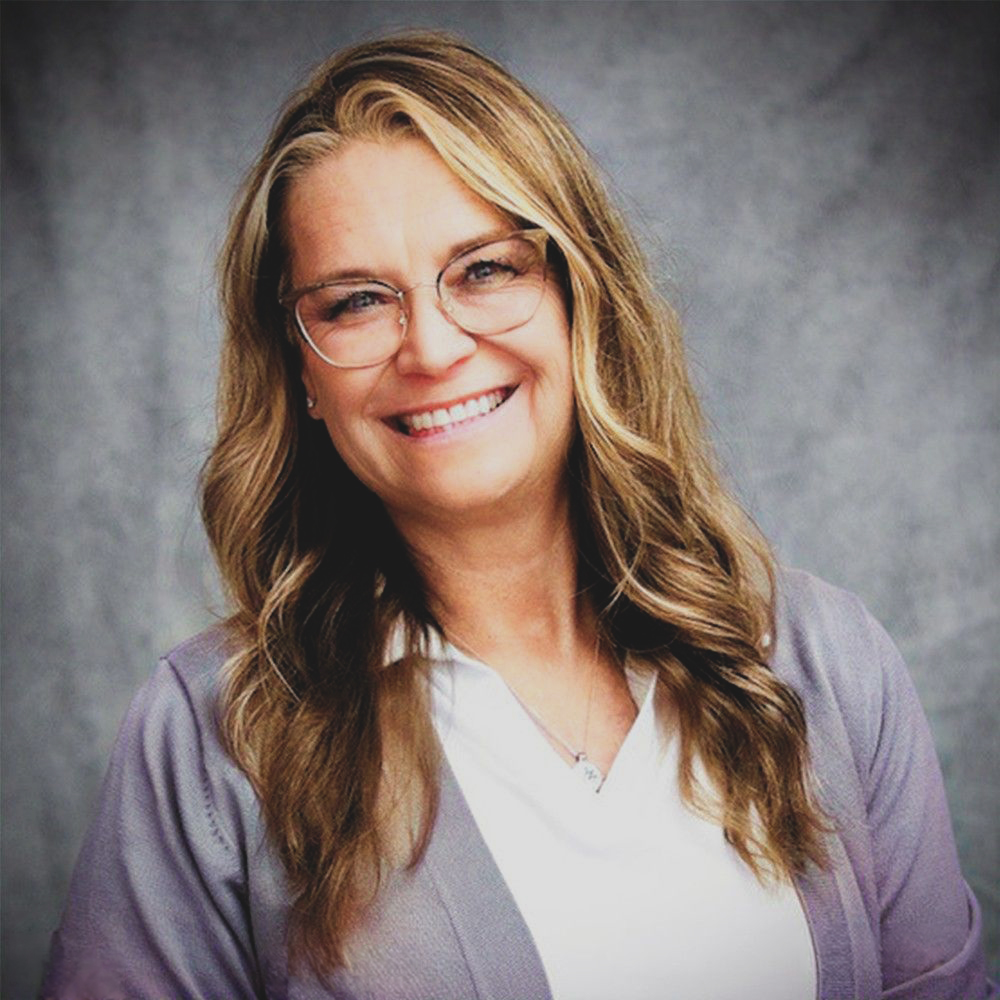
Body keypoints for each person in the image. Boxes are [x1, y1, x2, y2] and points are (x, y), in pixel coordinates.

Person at [42, 31, 992, 1000]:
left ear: (581, 297)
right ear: (303, 374)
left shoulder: (825, 663)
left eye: (486, 270)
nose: (432, 348)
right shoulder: (216, 732)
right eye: (357, 301)